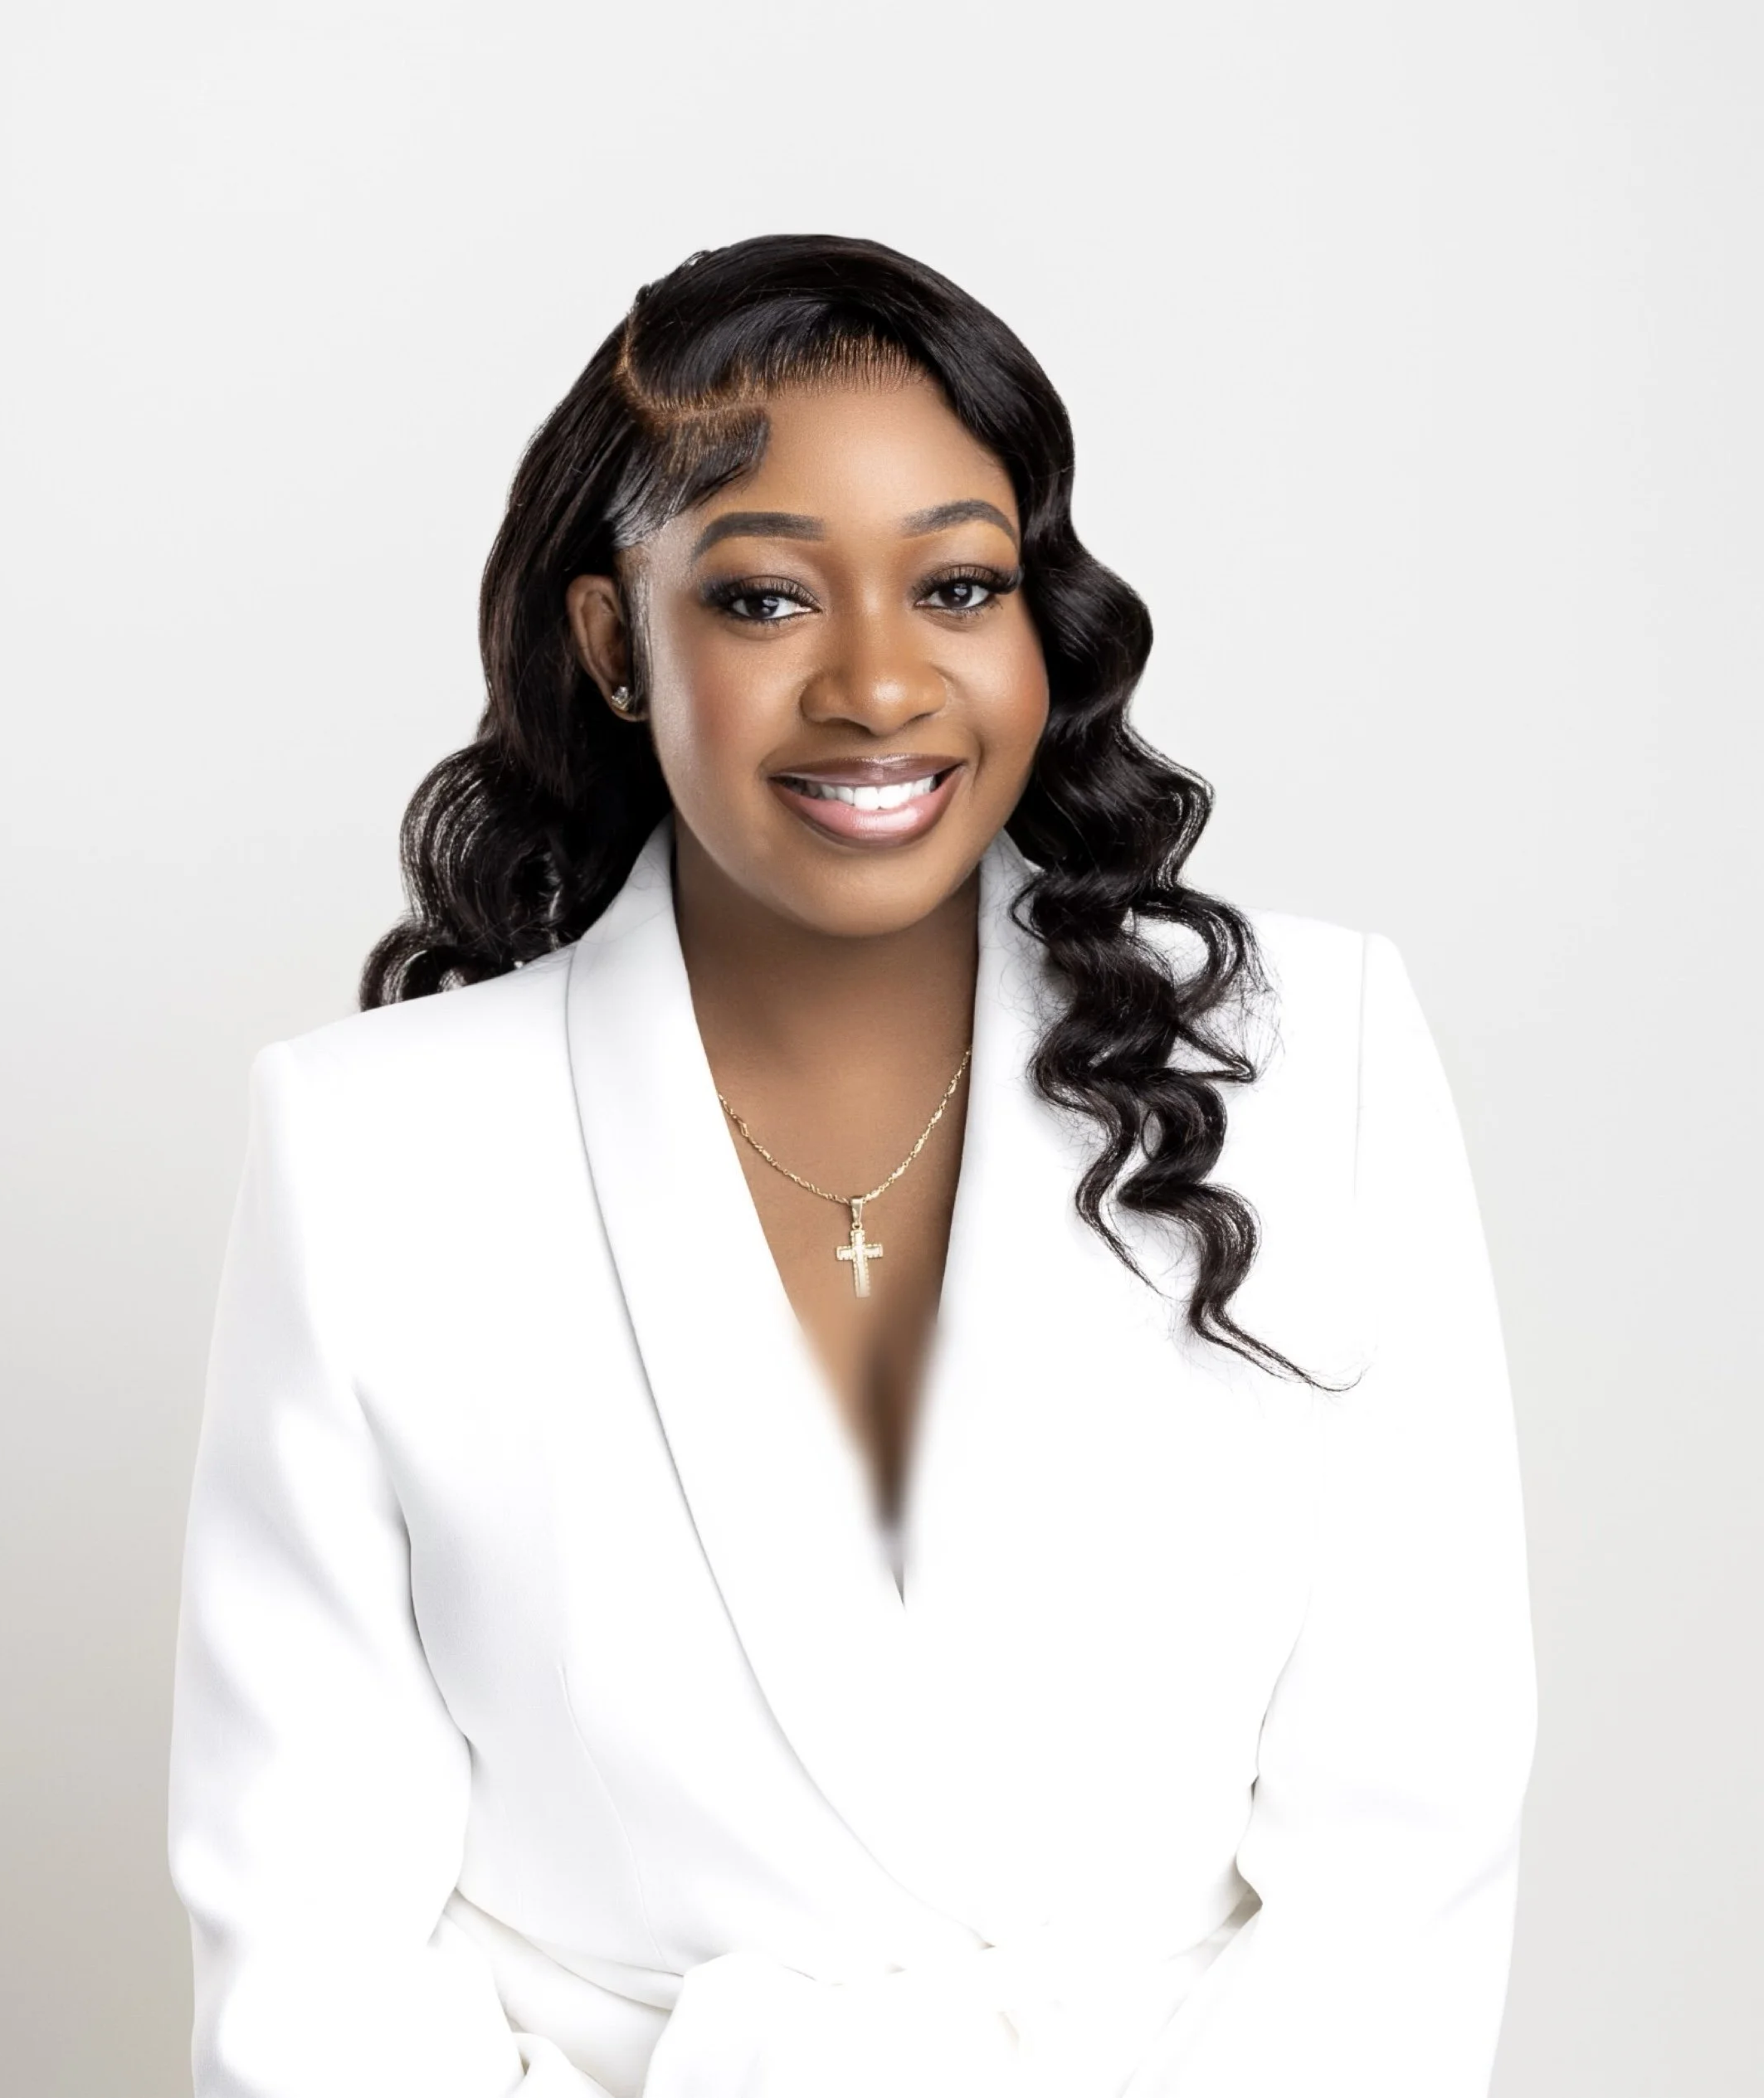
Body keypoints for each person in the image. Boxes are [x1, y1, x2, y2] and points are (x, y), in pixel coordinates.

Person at [167, 233, 1537, 2098]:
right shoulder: (369, 1147)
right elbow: (308, 1932)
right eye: (761, 601)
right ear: (612, 644)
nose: (880, 685)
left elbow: (1409, 1842)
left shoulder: (1323, 1065)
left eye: (959, 583)